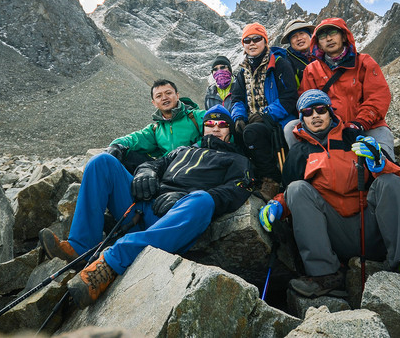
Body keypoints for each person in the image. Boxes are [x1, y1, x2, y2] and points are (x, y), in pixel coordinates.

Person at [39, 105, 253, 309]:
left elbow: (235, 190)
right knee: (101, 162)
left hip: (173, 221)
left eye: (222, 124)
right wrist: (145, 173)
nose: (215, 128)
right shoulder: (182, 151)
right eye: (210, 124)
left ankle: (110, 264)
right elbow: (154, 163)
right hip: (142, 207)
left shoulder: (237, 160)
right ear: (203, 127)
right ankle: (80, 247)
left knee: (204, 201)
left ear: (230, 130)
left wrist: (183, 196)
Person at [258, 90, 400, 298]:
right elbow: (290, 193)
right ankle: (325, 274)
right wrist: (277, 206)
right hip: (332, 233)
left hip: (370, 228)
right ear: (302, 118)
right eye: (308, 112)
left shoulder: (353, 138)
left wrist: (378, 163)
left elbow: (397, 180)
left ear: (330, 112)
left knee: (389, 182)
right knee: (297, 188)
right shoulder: (298, 153)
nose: (315, 115)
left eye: (321, 109)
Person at [300, 17, 395, 160]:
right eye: (322, 36)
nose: (329, 38)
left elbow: (378, 97)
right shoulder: (311, 70)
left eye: (333, 32)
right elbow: (306, 103)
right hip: (329, 129)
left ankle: (388, 173)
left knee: (383, 159)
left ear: (344, 36)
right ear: (318, 43)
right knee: (292, 130)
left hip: (367, 127)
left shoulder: (364, 63)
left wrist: (358, 124)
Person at [230, 23, 298, 200]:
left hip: (278, 119)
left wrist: (266, 114)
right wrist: (238, 117)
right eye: (247, 40)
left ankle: (272, 180)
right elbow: (237, 99)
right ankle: (248, 176)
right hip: (253, 118)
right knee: (234, 131)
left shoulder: (280, 64)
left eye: (256, 39)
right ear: (243, 44)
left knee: (252, 132)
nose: (252, 43)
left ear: (265, 41)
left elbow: (289, 97)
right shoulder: (241, 72)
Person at [105, 79, 207, 173]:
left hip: (195, 168)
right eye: (159, 96)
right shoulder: (155, 129)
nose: (164, 98)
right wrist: (116, 145)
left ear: (177, 95)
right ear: (154, 103)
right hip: (168, 171)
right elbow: (134, 139)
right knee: (126, 155)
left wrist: (190, 149)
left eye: (168, 93)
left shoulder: (197, 117)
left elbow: (218, 134)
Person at [279, 18, 316, 148]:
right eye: (294, 36)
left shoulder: (324, 54)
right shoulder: (286, 62)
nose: (299, 38)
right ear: (290, 42)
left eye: (302, 34)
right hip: (303, 111)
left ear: (310, 36)